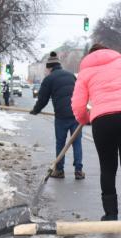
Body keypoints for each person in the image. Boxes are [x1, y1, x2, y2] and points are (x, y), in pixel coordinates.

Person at [72, 44, 121, 220]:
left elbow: (78, 104)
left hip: (102, 120)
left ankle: (111, 215)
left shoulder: (85, 72)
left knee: (107, 168)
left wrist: (84, 119)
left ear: (90, 55)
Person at [31, 51, 84, 180]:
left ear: (49, 67)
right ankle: (78, 170)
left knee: (60, 143)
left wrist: (35, 110)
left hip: (61, 116)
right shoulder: (71, 75)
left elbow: (42, 99)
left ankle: (59, 170)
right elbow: (80, 92)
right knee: (77, 142)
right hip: (76, 114)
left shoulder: (49, 79)